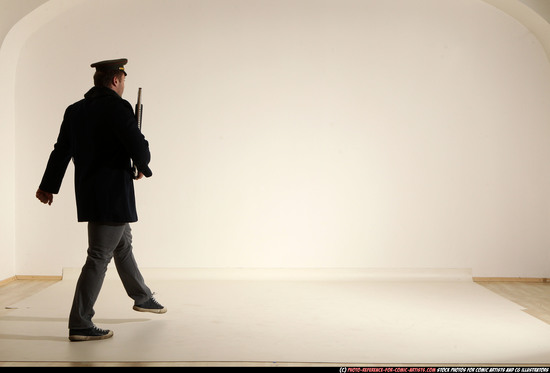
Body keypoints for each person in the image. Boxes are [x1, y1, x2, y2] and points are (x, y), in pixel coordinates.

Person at [36, 58, 166, 342]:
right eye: (123, 82)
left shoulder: (75, 110)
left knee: (123, 244)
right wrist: (143, 165)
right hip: (114, 195)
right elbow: (137, 146)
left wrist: (48, 186)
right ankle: (81, 323)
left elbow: (61, 151)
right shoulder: (119, 107)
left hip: (89, 192)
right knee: (98, 256)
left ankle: (142, 297)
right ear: (117, 80)